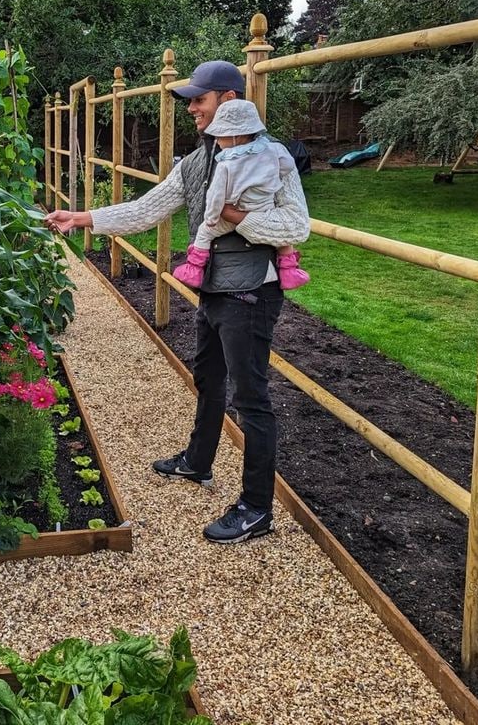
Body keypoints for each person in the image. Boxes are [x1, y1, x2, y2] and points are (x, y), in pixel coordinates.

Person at [44, 60, 310, 544]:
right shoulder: (194, 162)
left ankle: (256, 508)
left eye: (198, 99)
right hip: (212, 286)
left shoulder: (273, 159)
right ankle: (198, 462)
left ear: (228, 100)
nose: (191, 108)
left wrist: (239, 219)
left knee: (251, 400)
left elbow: (296, 227)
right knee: (206, 377)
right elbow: (147, 209)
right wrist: (81, 218)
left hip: (252, 293)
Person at [172, 99, 309, 292]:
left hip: (235, 210)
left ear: (235, 136)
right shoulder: (273, 150)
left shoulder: (227, 164)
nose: (218, 141)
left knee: (204, 232)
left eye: (221, 136)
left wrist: (211, 217)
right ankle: (290, 271)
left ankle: (193, 269)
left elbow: (215, 196)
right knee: (283, 240)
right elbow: (287, 167)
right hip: (265, 207)